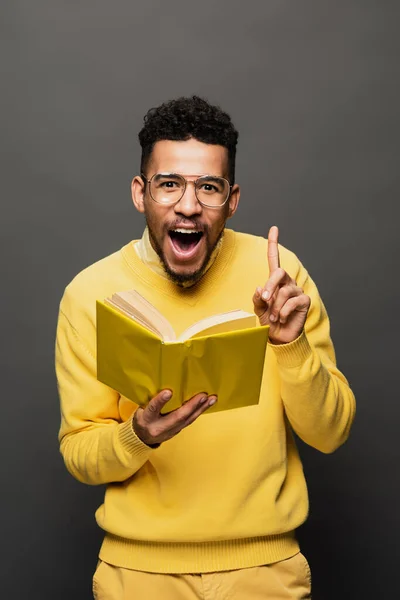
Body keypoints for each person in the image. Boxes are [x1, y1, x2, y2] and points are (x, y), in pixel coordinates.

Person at [55, 95, 356, 599]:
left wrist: (291, 347)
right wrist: (138, 435)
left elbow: (332, 433)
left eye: (208, 187)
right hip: (138, 577)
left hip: (266, 570)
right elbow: (79, 452)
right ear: (140, 192)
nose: (189, 205)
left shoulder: (280, 276)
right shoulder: (88, 293)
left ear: (232, 200)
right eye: (169, 184)